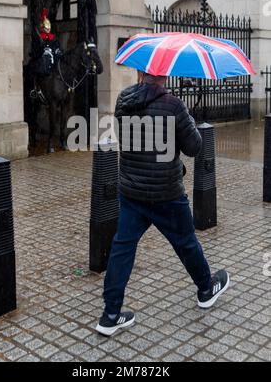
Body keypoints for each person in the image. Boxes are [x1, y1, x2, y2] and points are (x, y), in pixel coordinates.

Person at [96, 72, 230, 337]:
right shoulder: (173, 104)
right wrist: (187, 118)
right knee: (186, 242)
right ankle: (206, 288)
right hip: (166, 193)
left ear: (141, 72)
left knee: (122, 248)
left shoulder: (124, 99)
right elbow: (194, 147)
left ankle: (110, 315)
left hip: (132, 192)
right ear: (164, 74)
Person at [30, 8, 62, 77]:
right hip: (42, 57)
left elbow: (56, 46)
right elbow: (35, 49)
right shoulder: (39, 38)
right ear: (43, 28)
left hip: (52, 57)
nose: (48, 30)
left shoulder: (53, 37)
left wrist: (57, 50)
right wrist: (42, 49)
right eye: (46, 28)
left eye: (49, 29)